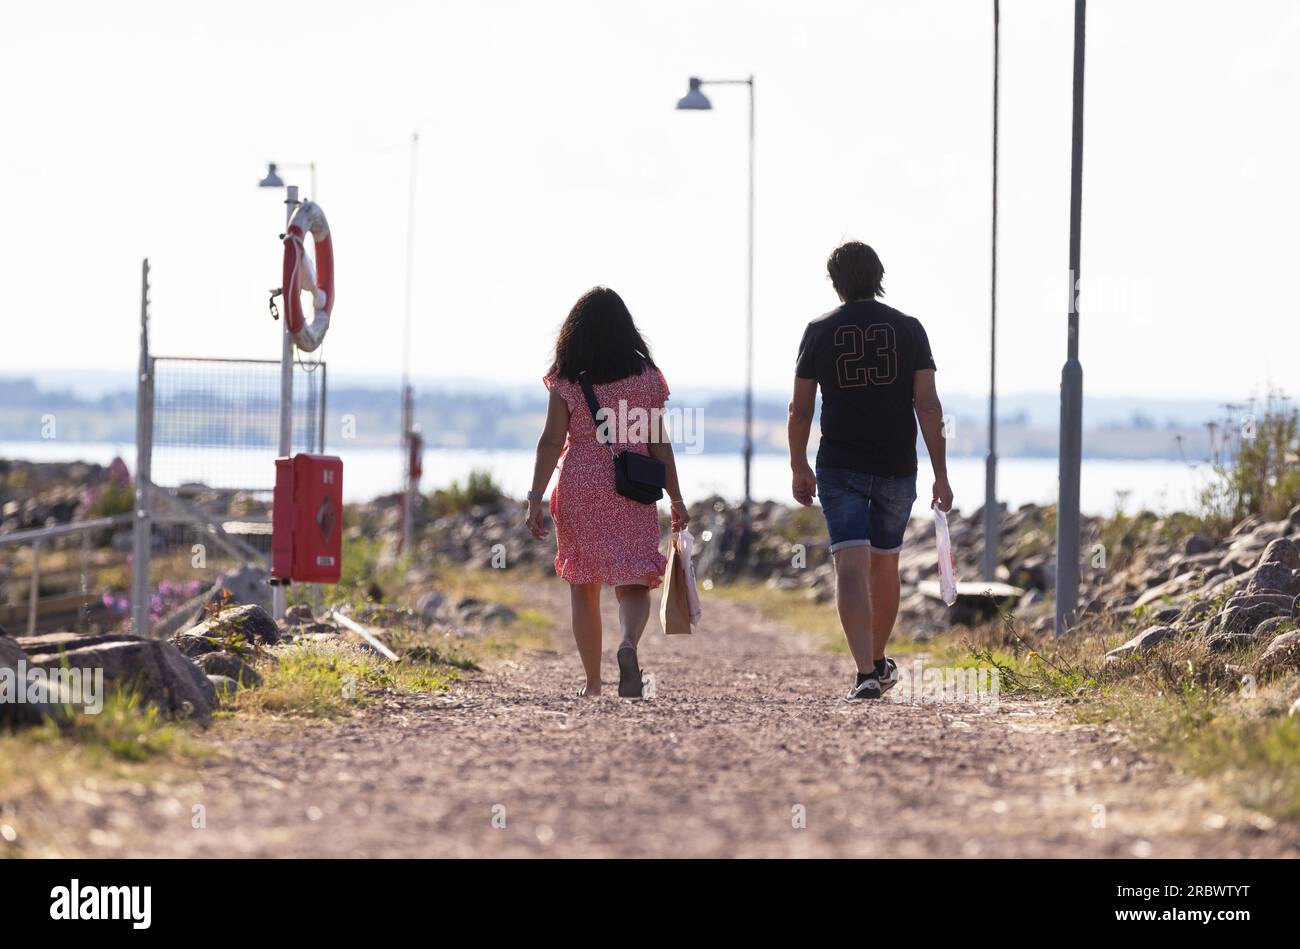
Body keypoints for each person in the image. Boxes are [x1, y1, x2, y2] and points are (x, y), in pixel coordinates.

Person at [787, 241, 953, 701]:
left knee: (851, 566)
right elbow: (929, 404)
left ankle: (866, 671)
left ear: (835, 282)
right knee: (885, 563)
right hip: (897, 465)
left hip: (840, 464)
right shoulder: (910, 329)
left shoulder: (818, 331)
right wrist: (941, 473)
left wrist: (798, 464)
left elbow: (800, 411)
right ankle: (877, 662)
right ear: (879, 275)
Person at [526, 287, 689, 698]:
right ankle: (628, 645)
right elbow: (658, 443)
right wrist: (677, 497)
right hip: (631, 487)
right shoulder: (647, 378)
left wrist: (533, 497)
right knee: (633, 581)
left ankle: (593, 682)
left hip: (580, 483)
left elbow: (550, 442)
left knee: (583, 586)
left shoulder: (565, 378)